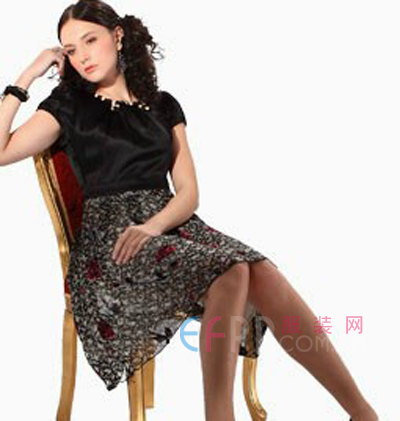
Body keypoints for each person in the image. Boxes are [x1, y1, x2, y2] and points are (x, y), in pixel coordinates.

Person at [0, 1, 378, 420]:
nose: (83, 56)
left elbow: (188, 192)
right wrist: (25, 77)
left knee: (260, 269)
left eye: (90, 40)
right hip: (113, 244)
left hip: (173, 226)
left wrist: (154, 226)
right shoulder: (69, 106)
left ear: (117, 36)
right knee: (232, 270)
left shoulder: (163, 105)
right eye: (70, 50)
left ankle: (362, 412)